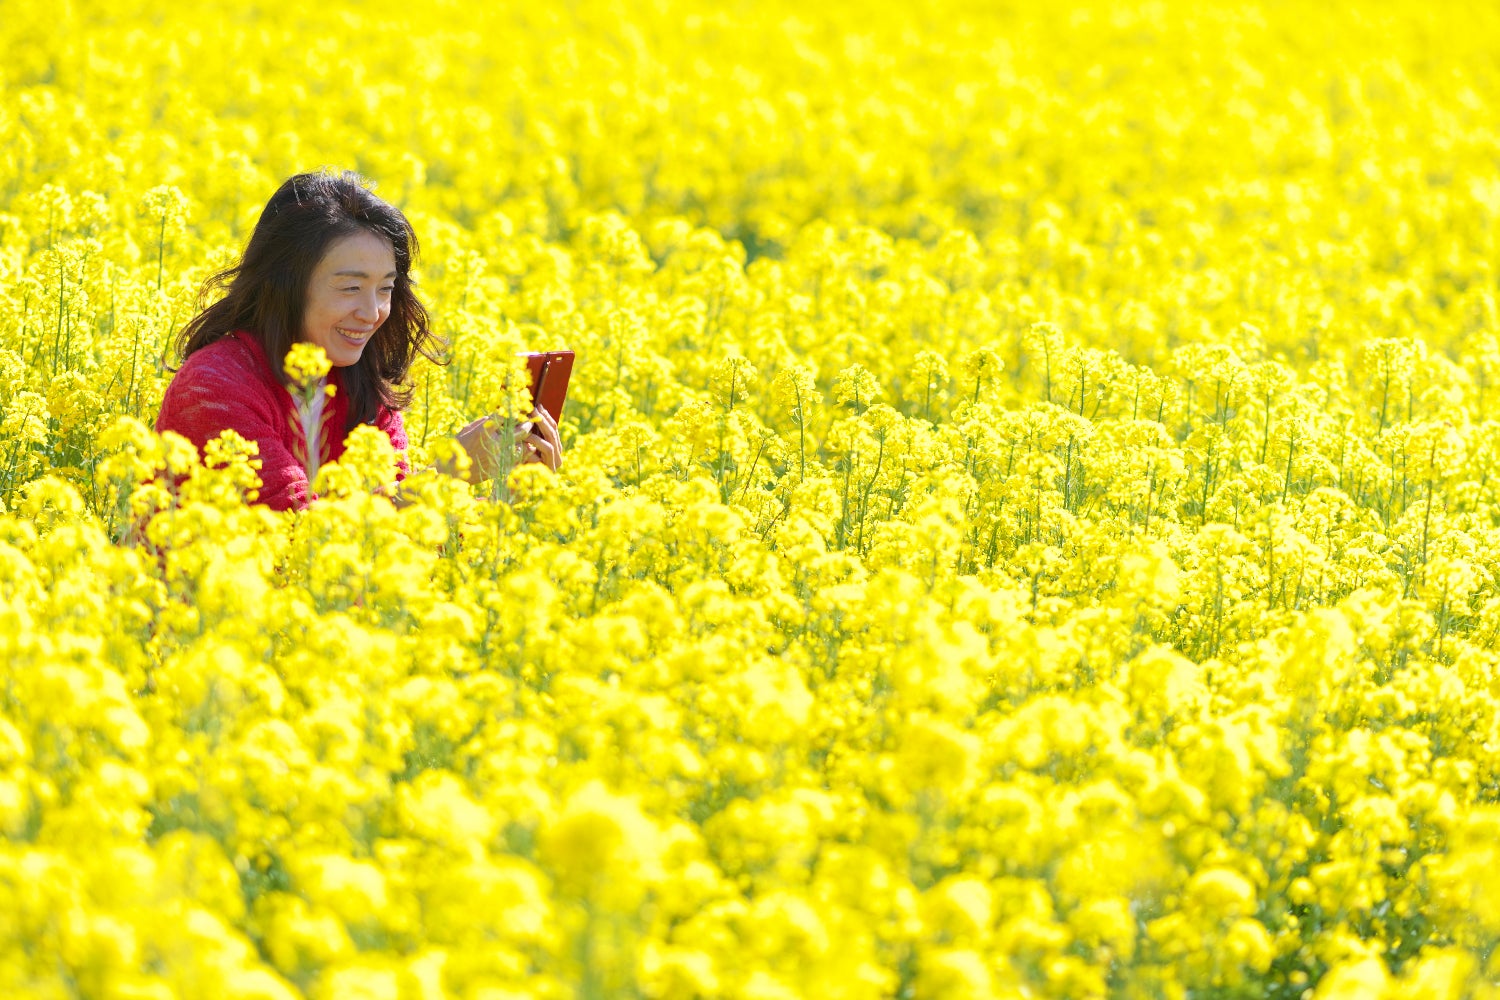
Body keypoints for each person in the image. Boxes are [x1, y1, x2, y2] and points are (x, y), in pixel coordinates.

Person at [155, 170, 561, 510]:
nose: (372, 313)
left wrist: (509, 501)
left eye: (385, 288)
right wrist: (446, 473)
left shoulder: (361, 385)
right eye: (351, 288)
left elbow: (397, 543)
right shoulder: (214, 387)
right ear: (286, 287)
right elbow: (299, 541)